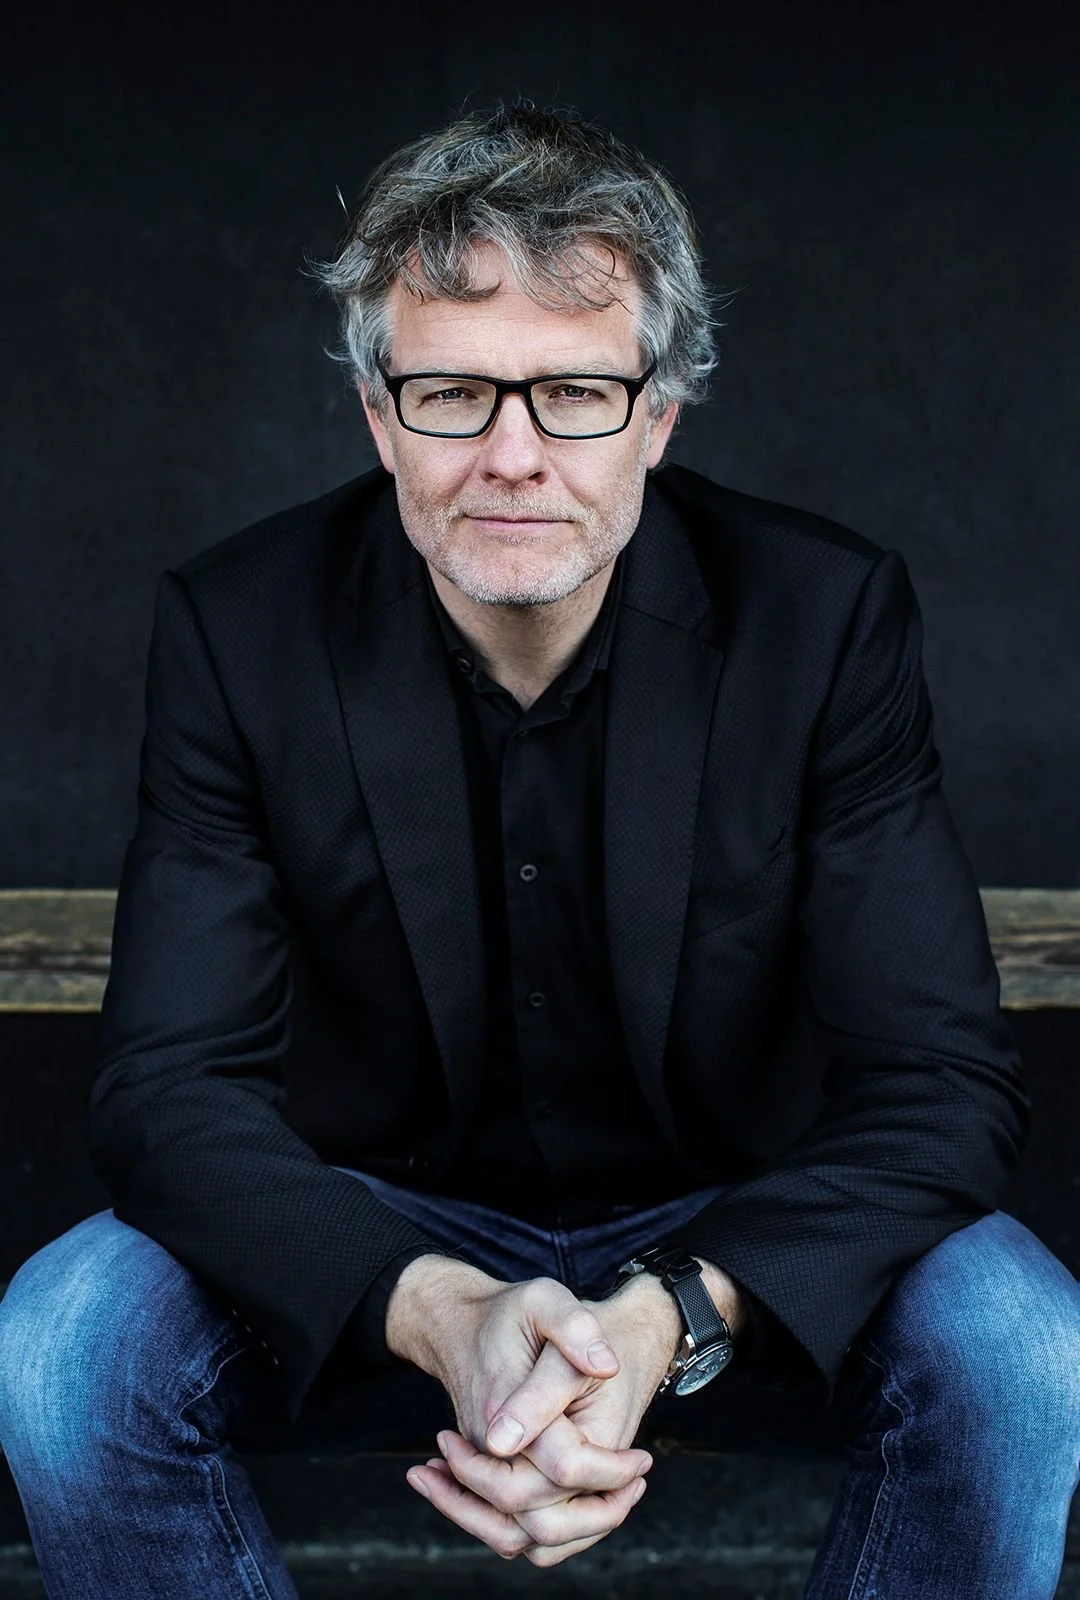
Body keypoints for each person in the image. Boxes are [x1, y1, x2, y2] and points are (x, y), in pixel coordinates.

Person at [0, 97, 1077, 1599]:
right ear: (379, 415)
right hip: (370, 1247)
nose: (511, 454)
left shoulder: (820, 622)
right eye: (452, 394)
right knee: (64, 1342)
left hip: (735, 1244)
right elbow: (169, 1092)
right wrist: (440, 1310)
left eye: (573, 393)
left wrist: (664, 1320)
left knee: (1025, 1346)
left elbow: (942, 1084)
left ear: (659, 414)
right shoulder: (240, 631)